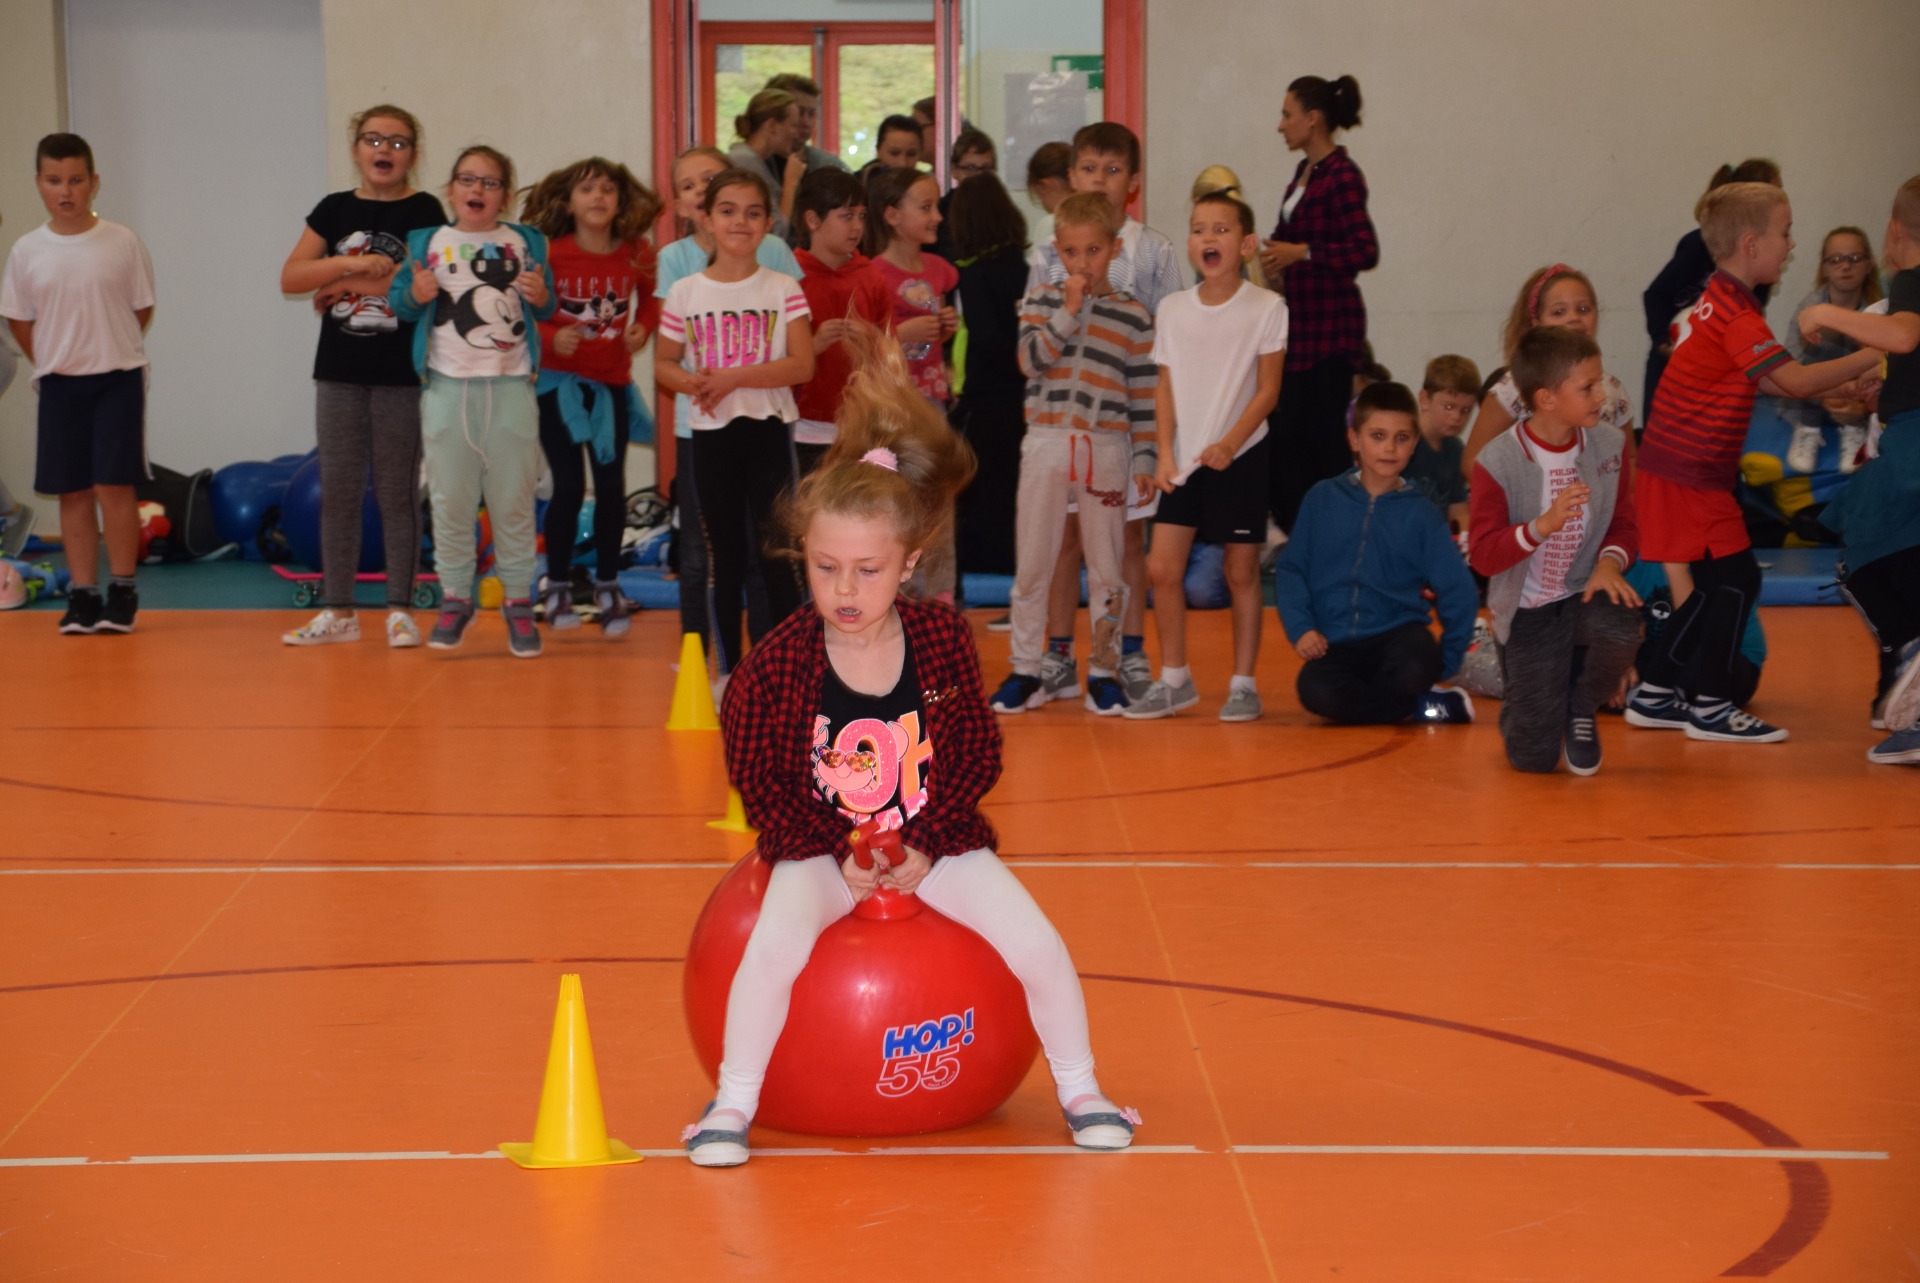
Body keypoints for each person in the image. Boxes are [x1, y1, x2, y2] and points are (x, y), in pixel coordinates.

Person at [679, 331, 1138, 1168]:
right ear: (804, 561)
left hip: (934, 841)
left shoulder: (941, 641)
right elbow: (758, 774)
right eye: (825, 569)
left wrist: (925, 841)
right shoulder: (776, 662)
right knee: (773, 947)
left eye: (866, 570)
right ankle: (733, 1101)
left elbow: (973, 753)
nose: (845, 591)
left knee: (1037, 943)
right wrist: (827, 854)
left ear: (909, 564)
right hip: (820, 851)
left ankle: (1082, 1088)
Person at [1626, 181, 1881, 743]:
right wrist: (1879, 348)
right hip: (1689, 474)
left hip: (1681, 469)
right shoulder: (1736, 313)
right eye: (1784, 233)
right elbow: (1792, 378)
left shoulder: (1723, 298)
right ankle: (1711, 709)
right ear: (1750, 244)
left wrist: (1851, 373)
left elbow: (1769, 378)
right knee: (1735, 579)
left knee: (1723, 580)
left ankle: (1654, 691)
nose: (1791, 245)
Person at [275, 106, 444, 648]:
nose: (384, 150)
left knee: (397, 493)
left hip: (400, 373)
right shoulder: (334, 209)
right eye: (373, 140)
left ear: (412, 155)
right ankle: (339, 611)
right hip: (339, 373)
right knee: (340, 492)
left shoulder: (426, 210)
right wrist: (345, 269)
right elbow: (293, 276)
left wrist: (354, 288)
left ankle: (400, 610)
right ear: (356, 150)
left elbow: (427, 281)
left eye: (397, 142)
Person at [1027, 122, 1183, 705]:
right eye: (1090, 169)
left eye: (1113, 171)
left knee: (1127, 540)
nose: (1101, 180)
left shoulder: (1153, 250)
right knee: (1065, 537)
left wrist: (1158, 436)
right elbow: (1036, 330)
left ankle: (1130, 650)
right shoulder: (1048, 248)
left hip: (1124, 421)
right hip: (1064, 418)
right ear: (1071, 177)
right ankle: (1060, 651)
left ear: (1134, 184)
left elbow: (1170, 341)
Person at [989, 192, 1156, 716]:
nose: (1083, 263)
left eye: (1094, 251)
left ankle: (1103, 672)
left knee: (1108, 569)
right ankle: (1025, 669)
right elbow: (1029, 361)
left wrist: (1146, 460)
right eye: (1072, 252)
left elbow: (1144, 397)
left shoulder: (1134, 318)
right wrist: (1068, 312)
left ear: (1115, 249)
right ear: (1057, 251)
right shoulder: (1041, 301)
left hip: (1106, 446)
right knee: (1034, 560)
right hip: (1045, 441)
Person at [388, 145, 556, 657]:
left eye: (489, 182)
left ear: (504, 195)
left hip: (510, 388)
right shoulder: (426, 242)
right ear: (451, 190)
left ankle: (519, 602)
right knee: (451, 500)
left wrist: (540, 296)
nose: (476, 190)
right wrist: (414, 294)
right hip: (446, 389)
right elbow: (400, 303)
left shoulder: (526, 242)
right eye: (467, 180)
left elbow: (547, 305)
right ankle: (456, 597)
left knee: (513, 502)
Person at [1124, 190, 1285, 722]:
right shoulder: (1172, 309)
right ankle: (1176, 679)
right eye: (1198, 228)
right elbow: (1163, 387)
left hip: (1241, 457)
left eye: (1220, 229)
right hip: (1183, 463)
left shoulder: (1268, 308)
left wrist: (1229, 444)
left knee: (1241, 572)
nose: (1208, 238)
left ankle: (1243, 683)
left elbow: (1267, 392)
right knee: (1161, 569)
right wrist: (1165, 453)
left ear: (1245, 244)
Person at [655, 168, 814, 680]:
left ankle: (788, 673)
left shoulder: (782, 286)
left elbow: (802, 364)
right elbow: (663, 364)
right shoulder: (684, 291)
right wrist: (694, 384)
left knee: (778, 554)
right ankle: (729, 673)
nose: (739, 222)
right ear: (706, 219)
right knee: (723, 557)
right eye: (727, 211)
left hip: (768, 431)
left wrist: (734, 378)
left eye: (752, 212)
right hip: (712, 437)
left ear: (768, 222)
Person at [0, 133, 155, 635]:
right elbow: (19, 318)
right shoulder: (27, 250)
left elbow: (140, 308)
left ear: (93, 182)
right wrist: (49, 357)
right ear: (39, 185)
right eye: (54, 181)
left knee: (114, 484)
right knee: (72, 491)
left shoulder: (122, 241)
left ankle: (123, 591)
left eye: (75, 180)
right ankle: (84, 594)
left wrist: (105, 346)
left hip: (117, 378)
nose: (65, 190)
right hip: (61, 384)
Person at [1469, 327, 1643, 774]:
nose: (1601, 394)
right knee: (1533, 760)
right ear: (1546, 399)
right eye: (1587, 387)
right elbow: (1484, 556)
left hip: (1583, 593)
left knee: (1622, 623)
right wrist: (1541, 527)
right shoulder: (1498, 461)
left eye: (1599, 381)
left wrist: (1608, 564)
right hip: (1529, 611)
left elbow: (1625, 523)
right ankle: (1530, 704)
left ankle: (1581, 706)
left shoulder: (1609, 445)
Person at [1798, 176, 1920, 765]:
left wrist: (1822, 308)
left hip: (1911, 449)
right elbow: (1885, 356)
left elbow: (1900, 335)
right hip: (1904, 444)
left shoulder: (1908, 286)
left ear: (1893, 234)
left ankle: (1911, 648)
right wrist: (1862, 384)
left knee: (1861, 554)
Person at [1275, 383, 1479, 727]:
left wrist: (1448, 658)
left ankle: (1402, 695)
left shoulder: (1423, 514)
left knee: (1416, 666)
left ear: (1413, 444)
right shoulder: (1322, 498)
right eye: (1378, 436)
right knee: (1314, 690)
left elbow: (1459, 589)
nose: (1389, 448)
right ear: (1355, 439)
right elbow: (1292, 569)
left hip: (1399, 636)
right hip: (1335, 643)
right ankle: (1416, 706)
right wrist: (1302, 628)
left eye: (1401, 438)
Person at [524, 156, 661, 637]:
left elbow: (655, 294)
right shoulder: (549, 253)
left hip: (612, 388)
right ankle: (557, 582)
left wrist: (643, 326)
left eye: (607, 189)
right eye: (587, 189)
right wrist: (546, 339)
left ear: (620, 201)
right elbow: (521, 311)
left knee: (610, 487)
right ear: (569, 201)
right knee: (565, 486)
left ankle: (607, 582)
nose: (598, 197)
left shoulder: (635, 251)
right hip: (557, 388)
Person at [1258, 74, 1379, 534]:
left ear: (1313, 119)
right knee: (1289, 442)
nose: (1281, 125)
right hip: (1299, 330)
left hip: (1330, 333)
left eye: (1287, 114)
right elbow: (1288, 244)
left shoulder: (1344, 175)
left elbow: (1364, 251)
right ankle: (1305, 532)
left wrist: (1302, 253)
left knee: (1322, 442)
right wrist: (1273, 264)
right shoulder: (1302, 174)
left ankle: (1337, 536)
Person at [1461, 265, 1635, 477]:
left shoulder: (1612, 389)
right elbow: (1474, 463)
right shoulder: (1513, 387)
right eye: (1558, 312)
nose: (1573, 318)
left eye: (1583, 309)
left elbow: (1629, 460)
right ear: (1537, 323)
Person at [1642, 159, 1781, 414]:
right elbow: (1655, 295)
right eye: (1774, 191)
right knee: (1661, 435)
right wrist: (1664, 343)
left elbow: (1749, 319)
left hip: (1713, 370)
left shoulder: (1759, 270)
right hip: (1671, 361)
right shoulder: (1697, 245)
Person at [946, 173, 1031, 583]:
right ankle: (1013, 561)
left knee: (982, 485)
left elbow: (983, 335)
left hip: (986, 395)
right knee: (1015, 484)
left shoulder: (974, 273)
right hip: (1024, 393)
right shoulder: (1025, 268)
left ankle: (984, 564)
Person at [790, 167, 892, 477]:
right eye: (846, 216)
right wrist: (815, 345)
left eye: (861, 216)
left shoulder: (872, 278)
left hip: (861, 426)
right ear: (813, 220)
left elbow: (892, 353)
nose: (857, 226)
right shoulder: (790, 278)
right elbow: (774, 357)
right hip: (803, 428)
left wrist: (872, 340)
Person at [1780, 226, 1882, 475]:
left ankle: (1854, 431)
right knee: (1828, 333)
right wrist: (1824, 394)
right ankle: (1808, 429)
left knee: (1862, 333)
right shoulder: (1809, 308)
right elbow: (1789, 368)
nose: (1845, 267)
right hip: (1809, 401)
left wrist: (1862, 409)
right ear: (1824, 268)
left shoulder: (1881, 310)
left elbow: (1888, 371)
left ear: (1868, 264)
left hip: (1859, 404)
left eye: (1854, 258)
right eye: (1835, 260)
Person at [1403, 354, 1478, 533]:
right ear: (1424, 399)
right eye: (1449, 407)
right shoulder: (1404, 442)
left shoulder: (1455, 449)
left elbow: (1458, 511)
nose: (1457, 417)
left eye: (1466, 410)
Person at [728, 88, 803, 238]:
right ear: (772, 125)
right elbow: (775, 232)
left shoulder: (764, 161)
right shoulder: (744, 163)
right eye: (793, 125)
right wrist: (791, 183)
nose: (797, 134)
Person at [763, 73, 848, 175]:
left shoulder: (829, 166)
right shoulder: (751, 164)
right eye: (799, 112)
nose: (806, 122)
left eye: (811, 114)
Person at [1024, 142, 1072, 253]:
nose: (1042, 202)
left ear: (1045, 186)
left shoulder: (1051, 223)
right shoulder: (1097, 218)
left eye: (1038, 195)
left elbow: (1037, 269)